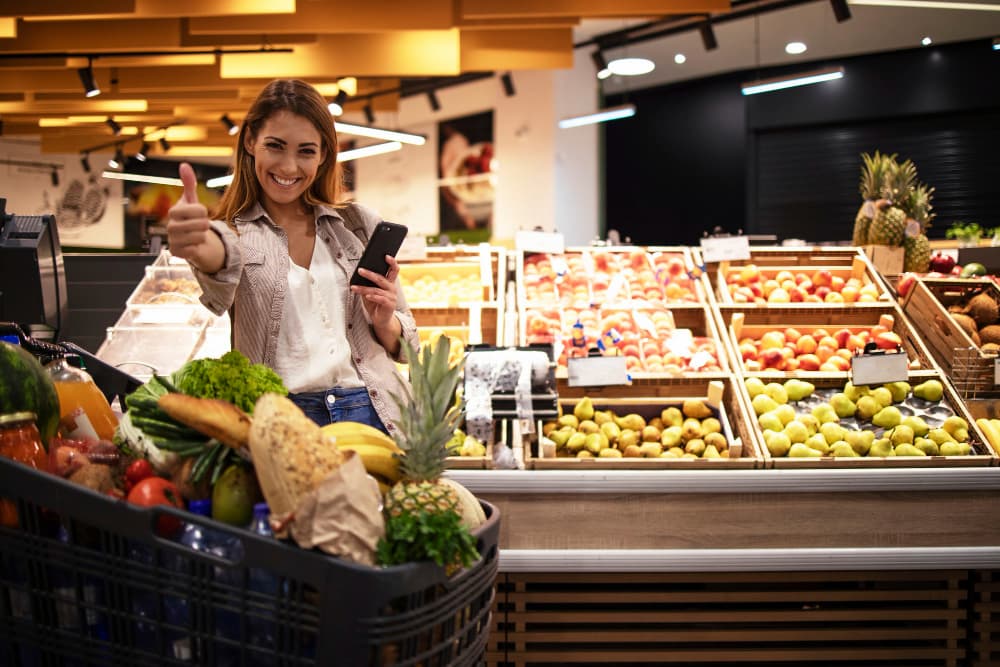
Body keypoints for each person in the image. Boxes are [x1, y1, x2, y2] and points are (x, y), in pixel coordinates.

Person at [165, 79, 418, 434]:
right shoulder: (235, 234)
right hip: (283, 419)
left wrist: (384, 321)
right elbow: (218, 255)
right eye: (276, 146)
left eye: (305, 151)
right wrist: (195, 240)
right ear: (251, 141)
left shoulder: (357, 226)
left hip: (375, 411)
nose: (288, 167)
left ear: (324, 155)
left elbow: (408, 348)